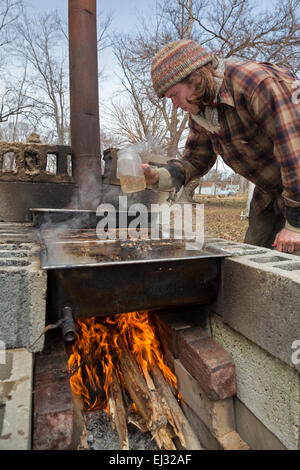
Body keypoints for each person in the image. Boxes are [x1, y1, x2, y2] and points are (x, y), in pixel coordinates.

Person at [142, 39, 300, 254]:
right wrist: (158, 176)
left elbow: (295, 151)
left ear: (195, 76)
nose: (176, 106)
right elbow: (196, 159)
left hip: (296, 188)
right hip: (269, 194)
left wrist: (296, 224)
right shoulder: (201, 110)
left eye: (173, 95)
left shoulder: (255, 83)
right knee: (252, 261)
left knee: (292, 267)